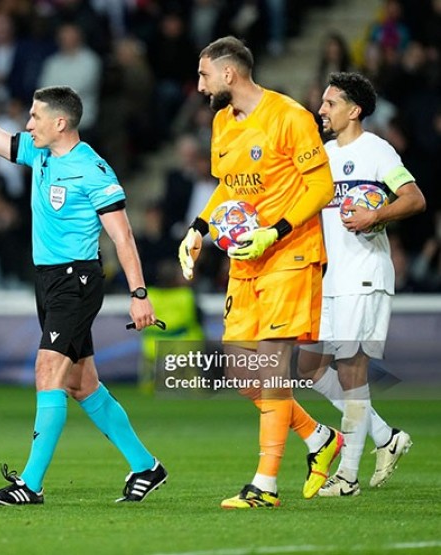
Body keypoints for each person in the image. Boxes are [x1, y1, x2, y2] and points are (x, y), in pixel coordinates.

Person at [0, 57, 167, 505]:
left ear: (59, 122)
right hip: (49, 280)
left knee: (47, 370)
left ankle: (30, 485)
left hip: (77, 280)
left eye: (35, 117)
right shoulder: (39, 154)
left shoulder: (92, 169)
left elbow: (122, 235)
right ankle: (146, 466)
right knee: (80, 383)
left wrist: (138, 294)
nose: (27, 123)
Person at [178, 36, 342, 509]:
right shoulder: (221, 123)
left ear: (229, 74)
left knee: (271, 367)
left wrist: (278, 230)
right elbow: (228, 187)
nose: (200, 85)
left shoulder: (290, 116)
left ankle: (265, 485)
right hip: (244, 259)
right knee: (240, 366)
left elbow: (322, 185)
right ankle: (318, 438)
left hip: (291, 252)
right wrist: (198, 228)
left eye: (205, 75)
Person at [297, 72, 425, 496]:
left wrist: (375, 215)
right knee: (310, 367)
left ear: (354, 110)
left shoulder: (376, 150)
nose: (321, 110)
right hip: (332, 276)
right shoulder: (323, 154)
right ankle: (386, 437)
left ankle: (347, 477)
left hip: (366, 274)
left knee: (352, 371)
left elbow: (414, 198)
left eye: (330, 103)